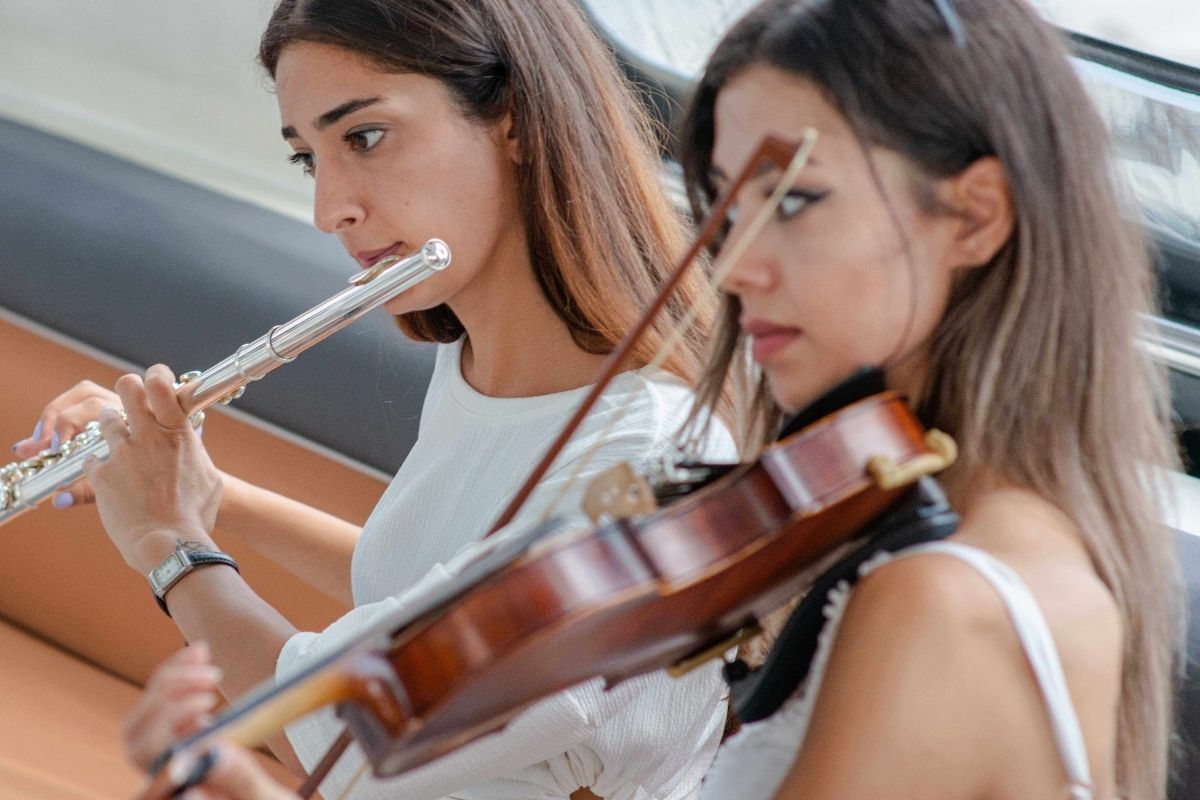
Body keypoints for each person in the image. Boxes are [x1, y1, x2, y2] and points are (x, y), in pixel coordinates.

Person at [12, 1, 737, 798]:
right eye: (307, 160)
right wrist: (211, 497)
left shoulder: (650, 454)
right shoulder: (477, 360)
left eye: (363, 137)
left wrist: (170, 546)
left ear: (516, 119)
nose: (331, 211)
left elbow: (358, 734)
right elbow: (441, 590)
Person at [672, 1, 1179, 798]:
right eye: (727, 211)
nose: (734, 266)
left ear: (974, 217)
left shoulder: (939, 599)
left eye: (793, 201)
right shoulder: (1018, 538)